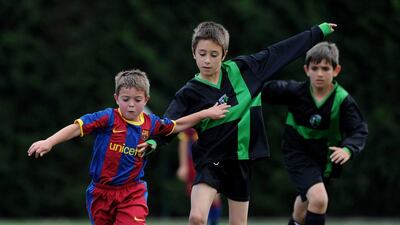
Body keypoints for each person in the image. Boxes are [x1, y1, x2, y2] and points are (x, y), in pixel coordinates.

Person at [140, 21, 337, 225]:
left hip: (240, 160)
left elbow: (280, 51)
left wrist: (317, 32)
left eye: (214, 55)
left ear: (224, 54)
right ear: (193, 53)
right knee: (197, 218)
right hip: (210, 160)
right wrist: (153, 141)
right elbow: (170, 122)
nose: (207, 60)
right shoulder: (189, 92)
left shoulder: (246, 70)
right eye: (202, 53)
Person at [27, 69, 230, 225]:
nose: (131, 105)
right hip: (100, 193)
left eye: (137, 100)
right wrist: (49, 142)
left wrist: (206, 113)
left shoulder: (151, 123)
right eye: (125, 99)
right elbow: (75, 128)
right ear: (116, 98)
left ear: (146, 100)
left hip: (132, 192)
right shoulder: (107, 118)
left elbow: (177, 125)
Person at [262, 42, 368, 225]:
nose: (319, 73)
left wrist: (348, 149)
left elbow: (359, 129)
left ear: (336, 70)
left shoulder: (343, 100)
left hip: (325, 159)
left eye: (325, 68)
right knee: (319, 199)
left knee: (302, 212)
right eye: (315, 68)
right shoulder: (295, 91)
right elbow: (262, 90)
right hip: (297, 153)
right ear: (306, 70)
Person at [177, 128, 222, 225]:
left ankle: (213, 222)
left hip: (213, 161)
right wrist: (183, 165)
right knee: (197, 199)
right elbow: (183, 141)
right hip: (194, 164)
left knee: (215, 197)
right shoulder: (193, 116)